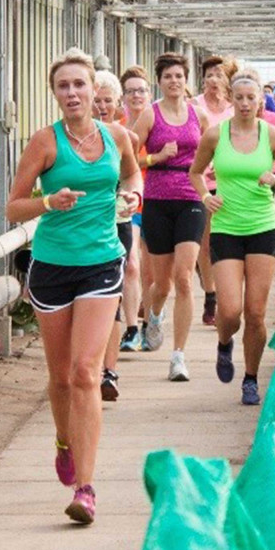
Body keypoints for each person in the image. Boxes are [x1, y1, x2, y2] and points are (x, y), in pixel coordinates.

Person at [6, 49, 141, 525]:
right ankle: (64, 439)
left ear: (94, 92)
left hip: (102, 262)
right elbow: (13, 207)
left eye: (79, 85)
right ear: (55, 94)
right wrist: (49, 202)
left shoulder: (116, 136)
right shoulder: (45, 143)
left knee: (87, 373)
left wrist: (134, 194)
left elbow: (130, 170)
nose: (72, 94)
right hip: (52, 266)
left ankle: (86, 488)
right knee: (61, 377)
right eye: (63, 86)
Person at [189, 69, 275, 405]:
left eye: (252, 98)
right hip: (226, 228)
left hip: (263, 228)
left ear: (260, 101)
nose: (245, 104)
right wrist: (205, 197)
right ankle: (225, 343)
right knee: (230, 312)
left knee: (255, 312)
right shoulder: (214, 135)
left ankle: (250, 379)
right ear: (230, 99)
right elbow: (195, 173)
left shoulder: (273, 135)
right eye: (239, 98)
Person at [132, 53, 211, 381]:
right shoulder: (150, 116)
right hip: (157, 201)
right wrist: (155, 156)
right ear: (159, 81)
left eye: (179, 76)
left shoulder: (199, 116)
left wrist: (213, 171)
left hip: (191, 199)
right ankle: (154, 314)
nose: (174, 81)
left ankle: (178, 356)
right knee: (161, 284)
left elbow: (212, 150)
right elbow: (129, 158)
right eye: (168, 77)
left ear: (186, 79)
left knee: (183, 278)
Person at [92, 70, 143, 401]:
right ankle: (90, 367)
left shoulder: (125, 138)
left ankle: (107, 371)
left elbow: (133, 175)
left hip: (117, 222)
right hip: (82, 227)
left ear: (117, 104)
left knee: (110, 298)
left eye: (106, 100)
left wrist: (130, 195)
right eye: (95, 100)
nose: (100, 106)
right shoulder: (62, 139)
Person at [193, 56, 237, 327]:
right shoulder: (194, 106)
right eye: (209, 74)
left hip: (231, 183)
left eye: (219, 75)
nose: (213, 80)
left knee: (229, 242)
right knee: (206, 243)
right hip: (203, 182)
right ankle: (211, 295)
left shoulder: (235, 108)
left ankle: (227, 293)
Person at [120, 66, 154, 353]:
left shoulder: (161, 124)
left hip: (157, 199)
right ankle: (131, 329)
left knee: (152, 269)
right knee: (131, 263)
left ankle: (151, 316)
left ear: (149, 93)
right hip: (129, 201)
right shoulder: (117, 128)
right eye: (130, 91)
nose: (136, 95)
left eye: (141, 90)